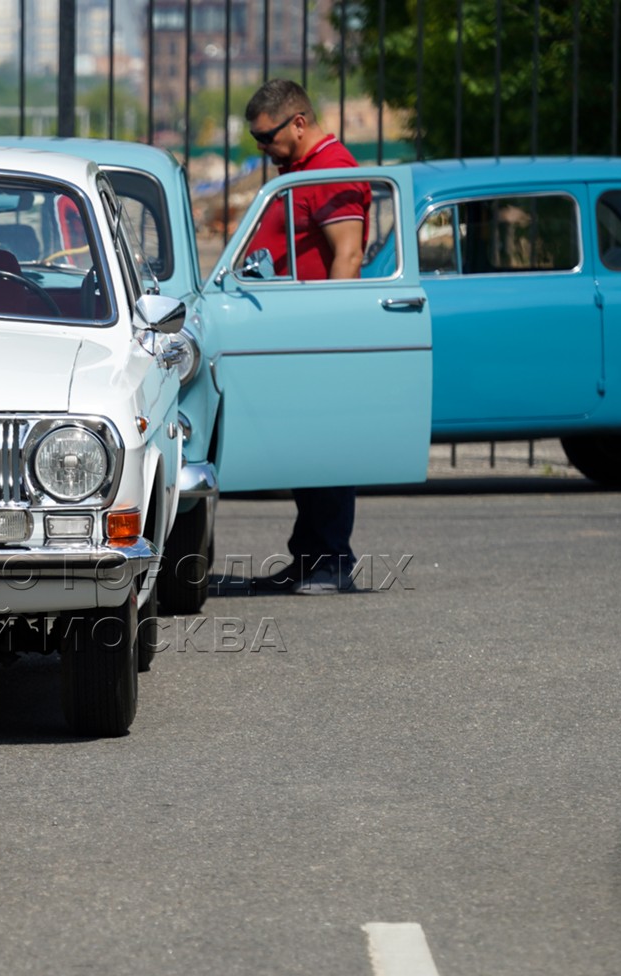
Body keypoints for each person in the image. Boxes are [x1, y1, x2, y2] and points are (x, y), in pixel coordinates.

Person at [240, 79, 370, 595]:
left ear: (298, 122)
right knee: (305, 449)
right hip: (297, 330)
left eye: (267, 137)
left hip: (320, 332)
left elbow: (349, 254)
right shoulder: (297, 170)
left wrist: (331, 332)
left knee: (326, 447)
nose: (262, 149)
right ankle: (310, 555)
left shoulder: (332, 171)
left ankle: (332, 561)